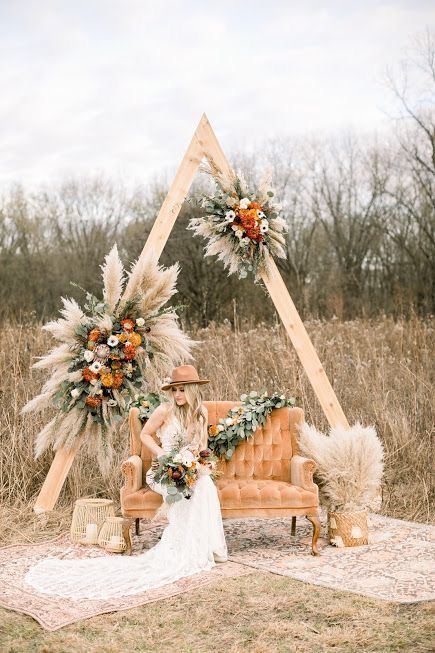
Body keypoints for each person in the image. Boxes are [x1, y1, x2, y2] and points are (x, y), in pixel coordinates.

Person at [24, 365, 228, 600]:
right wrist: (161, 453)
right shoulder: (164, 410)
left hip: (187, 467)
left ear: (192, 390)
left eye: (182, 390)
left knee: (204, 485)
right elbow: (144, 435)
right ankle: (182, 548)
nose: (178, 395)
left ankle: (207, 546)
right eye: (175, 390)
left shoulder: (200, 413)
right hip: (162, 470)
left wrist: (201, 463)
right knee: (182, 488)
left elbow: (202, 447)